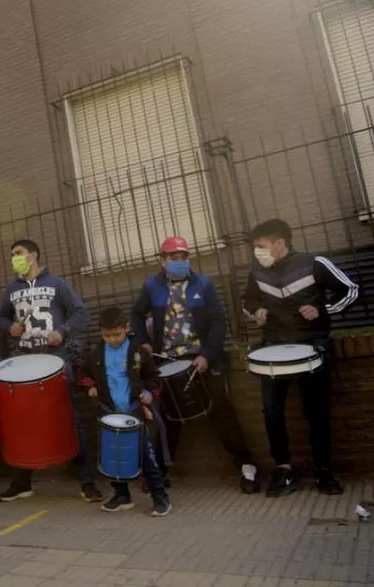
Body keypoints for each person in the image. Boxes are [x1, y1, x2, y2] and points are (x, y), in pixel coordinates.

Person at [131, 236, 258, 494]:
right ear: (162, 260)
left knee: (220, 410)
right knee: (167, 417)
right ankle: (158, 473)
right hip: (166, 361)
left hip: (200, 359)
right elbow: (135, 314)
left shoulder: (204, 284)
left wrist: (207, 354)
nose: (180, 263)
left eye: (183, 257)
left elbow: (218, 322)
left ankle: (247, 466)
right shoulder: (151, 286)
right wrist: (143, 342)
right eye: (173, 258)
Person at [243, 218, 358, 497]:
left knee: (316, 411)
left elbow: (351, 290)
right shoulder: (257, 271)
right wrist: (256, 312)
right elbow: (248, 301)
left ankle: (324, 472)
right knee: (271, 411)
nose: (256, 251)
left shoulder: (314, 262)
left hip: (312, 344)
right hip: (273, 347)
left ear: (280, 243)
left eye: (261, 246)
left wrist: (323, 309)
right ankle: (283, 470)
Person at [0, 239, 102, 503]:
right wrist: (9, 327)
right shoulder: (11, 290)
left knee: (69, 419)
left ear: (34, 255)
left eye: (18, 254)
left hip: (56, 360)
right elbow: (0, 317)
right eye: (12, 255)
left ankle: (87, 482)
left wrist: (62, 332)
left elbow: (80, 312)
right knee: (24, 423)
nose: (14, 259)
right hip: (24, 361)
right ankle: (22, 483)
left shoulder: (57, 284)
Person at [78, 307, 171, 516]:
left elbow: (154, 377)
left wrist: (149, 392)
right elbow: (83, 375)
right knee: (112, 456)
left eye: (117, 334)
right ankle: (121, 496)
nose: (112, 339)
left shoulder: (139, 352)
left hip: (134, 412)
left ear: (126, 328)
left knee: (145, 455)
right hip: (108, 413)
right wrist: (90, 386)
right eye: (107, 335)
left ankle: (160, 496)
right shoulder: (95, 355)